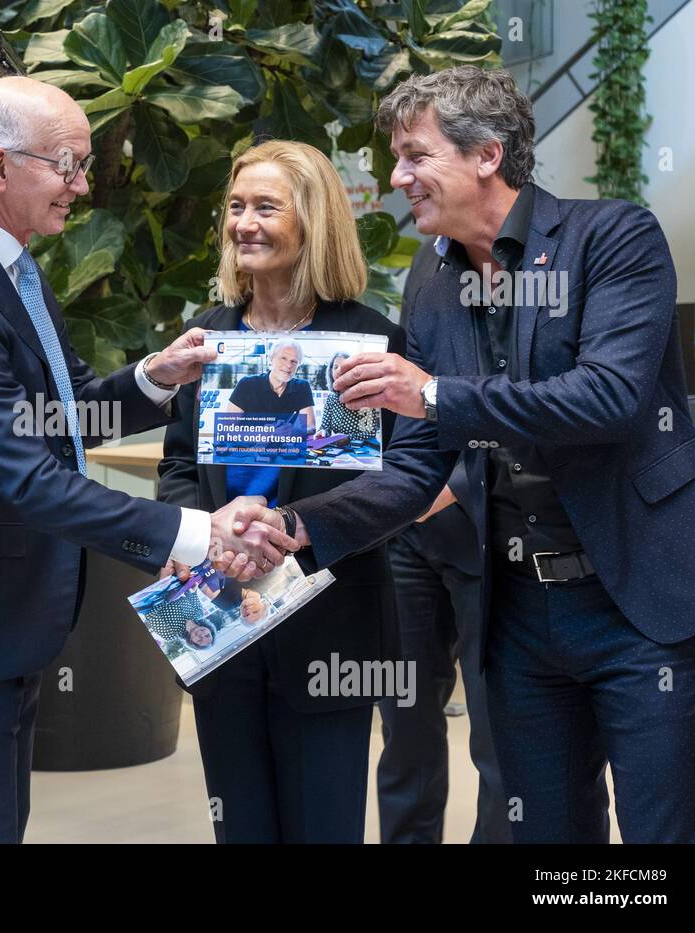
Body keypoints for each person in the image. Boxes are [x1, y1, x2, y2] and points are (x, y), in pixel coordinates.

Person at [247, 66, 695, 843]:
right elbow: (415, 468)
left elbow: (605, 399)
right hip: (521, 614)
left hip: (643, 601)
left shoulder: (613, 237)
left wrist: (430, 392)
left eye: (413, 156)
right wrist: (294, 527)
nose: (397, 178)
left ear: (487, 155)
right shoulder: (432, 279)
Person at [0, 76, 290, 844]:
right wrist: (197, 534)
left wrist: (156, 376)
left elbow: (57, 413)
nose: (83, 187)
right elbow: (28, 477)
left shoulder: (9, 262)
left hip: (3, 609)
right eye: (66, 165)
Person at [158, 139, 405, 844]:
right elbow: (178, 463)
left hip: (327, 620)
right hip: (219, 614)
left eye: (266, 207)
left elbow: (390, 484)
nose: (245, 224)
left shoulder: (370, 342)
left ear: (314, 222)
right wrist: (201, 530)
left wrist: (281, 530)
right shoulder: (208, 341)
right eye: (236, 207)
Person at [375, 240, 511, 845]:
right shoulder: (428, 264)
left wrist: (448, 485)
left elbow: (527, 398)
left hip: (491, 535)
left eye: (418, 155)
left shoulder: (541, 263)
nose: (404, 176)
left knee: (499, 739)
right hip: (409, 537)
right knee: (404, 732)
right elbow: (412, 396)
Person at [225, 337, 316, 432]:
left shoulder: (302, 387)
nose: (289, 365)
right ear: (271, 359)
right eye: (283, 358)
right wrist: (263, 434)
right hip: (248, 445)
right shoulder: (247, 384)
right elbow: (227, 428)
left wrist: (291, 431)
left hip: (283, 444)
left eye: (294, 361)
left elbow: (310, 427)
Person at [316, 352, 377, 443]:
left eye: (344, 368)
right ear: (330, 371)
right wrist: (323, 432)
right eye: (335, 367)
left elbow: (370, 433)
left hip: (364, 449)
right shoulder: (331, 398)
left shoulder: (364, 397)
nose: (339, 371)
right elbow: (325, 427)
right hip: (339, 449)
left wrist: (348, 438)